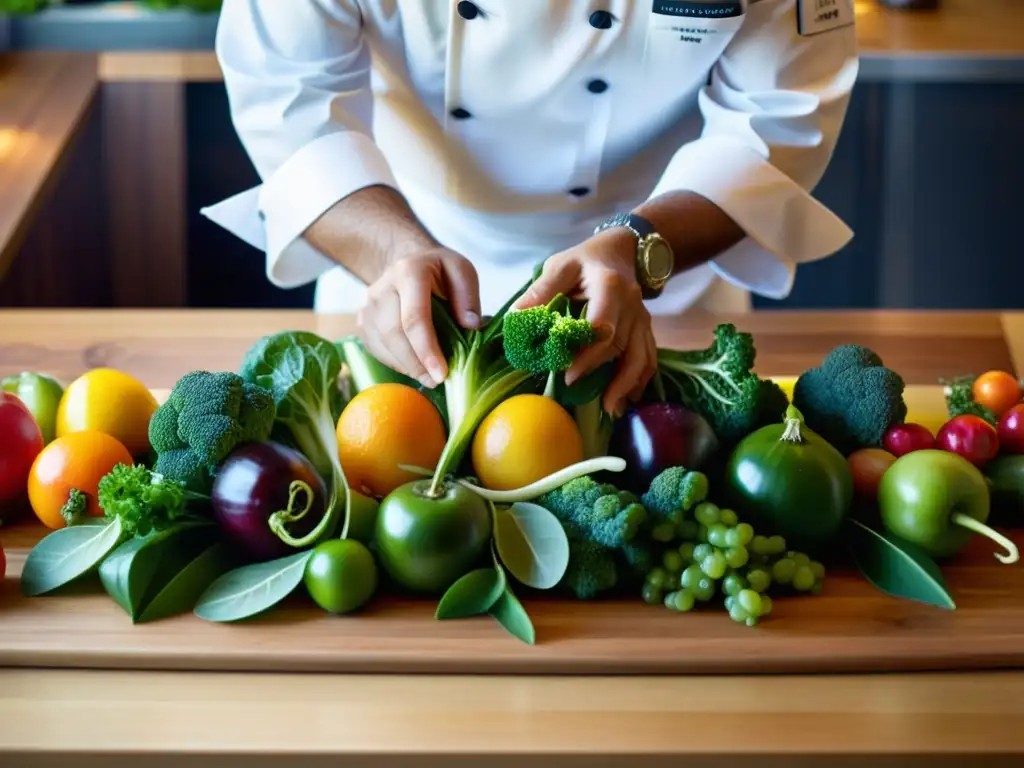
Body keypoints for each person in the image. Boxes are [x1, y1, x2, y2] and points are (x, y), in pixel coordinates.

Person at [203, 0, 858, 416]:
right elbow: (289, 97)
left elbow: (775, 120)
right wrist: (393, 250)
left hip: (659, 288)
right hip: (400, 279)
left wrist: (634, 247)